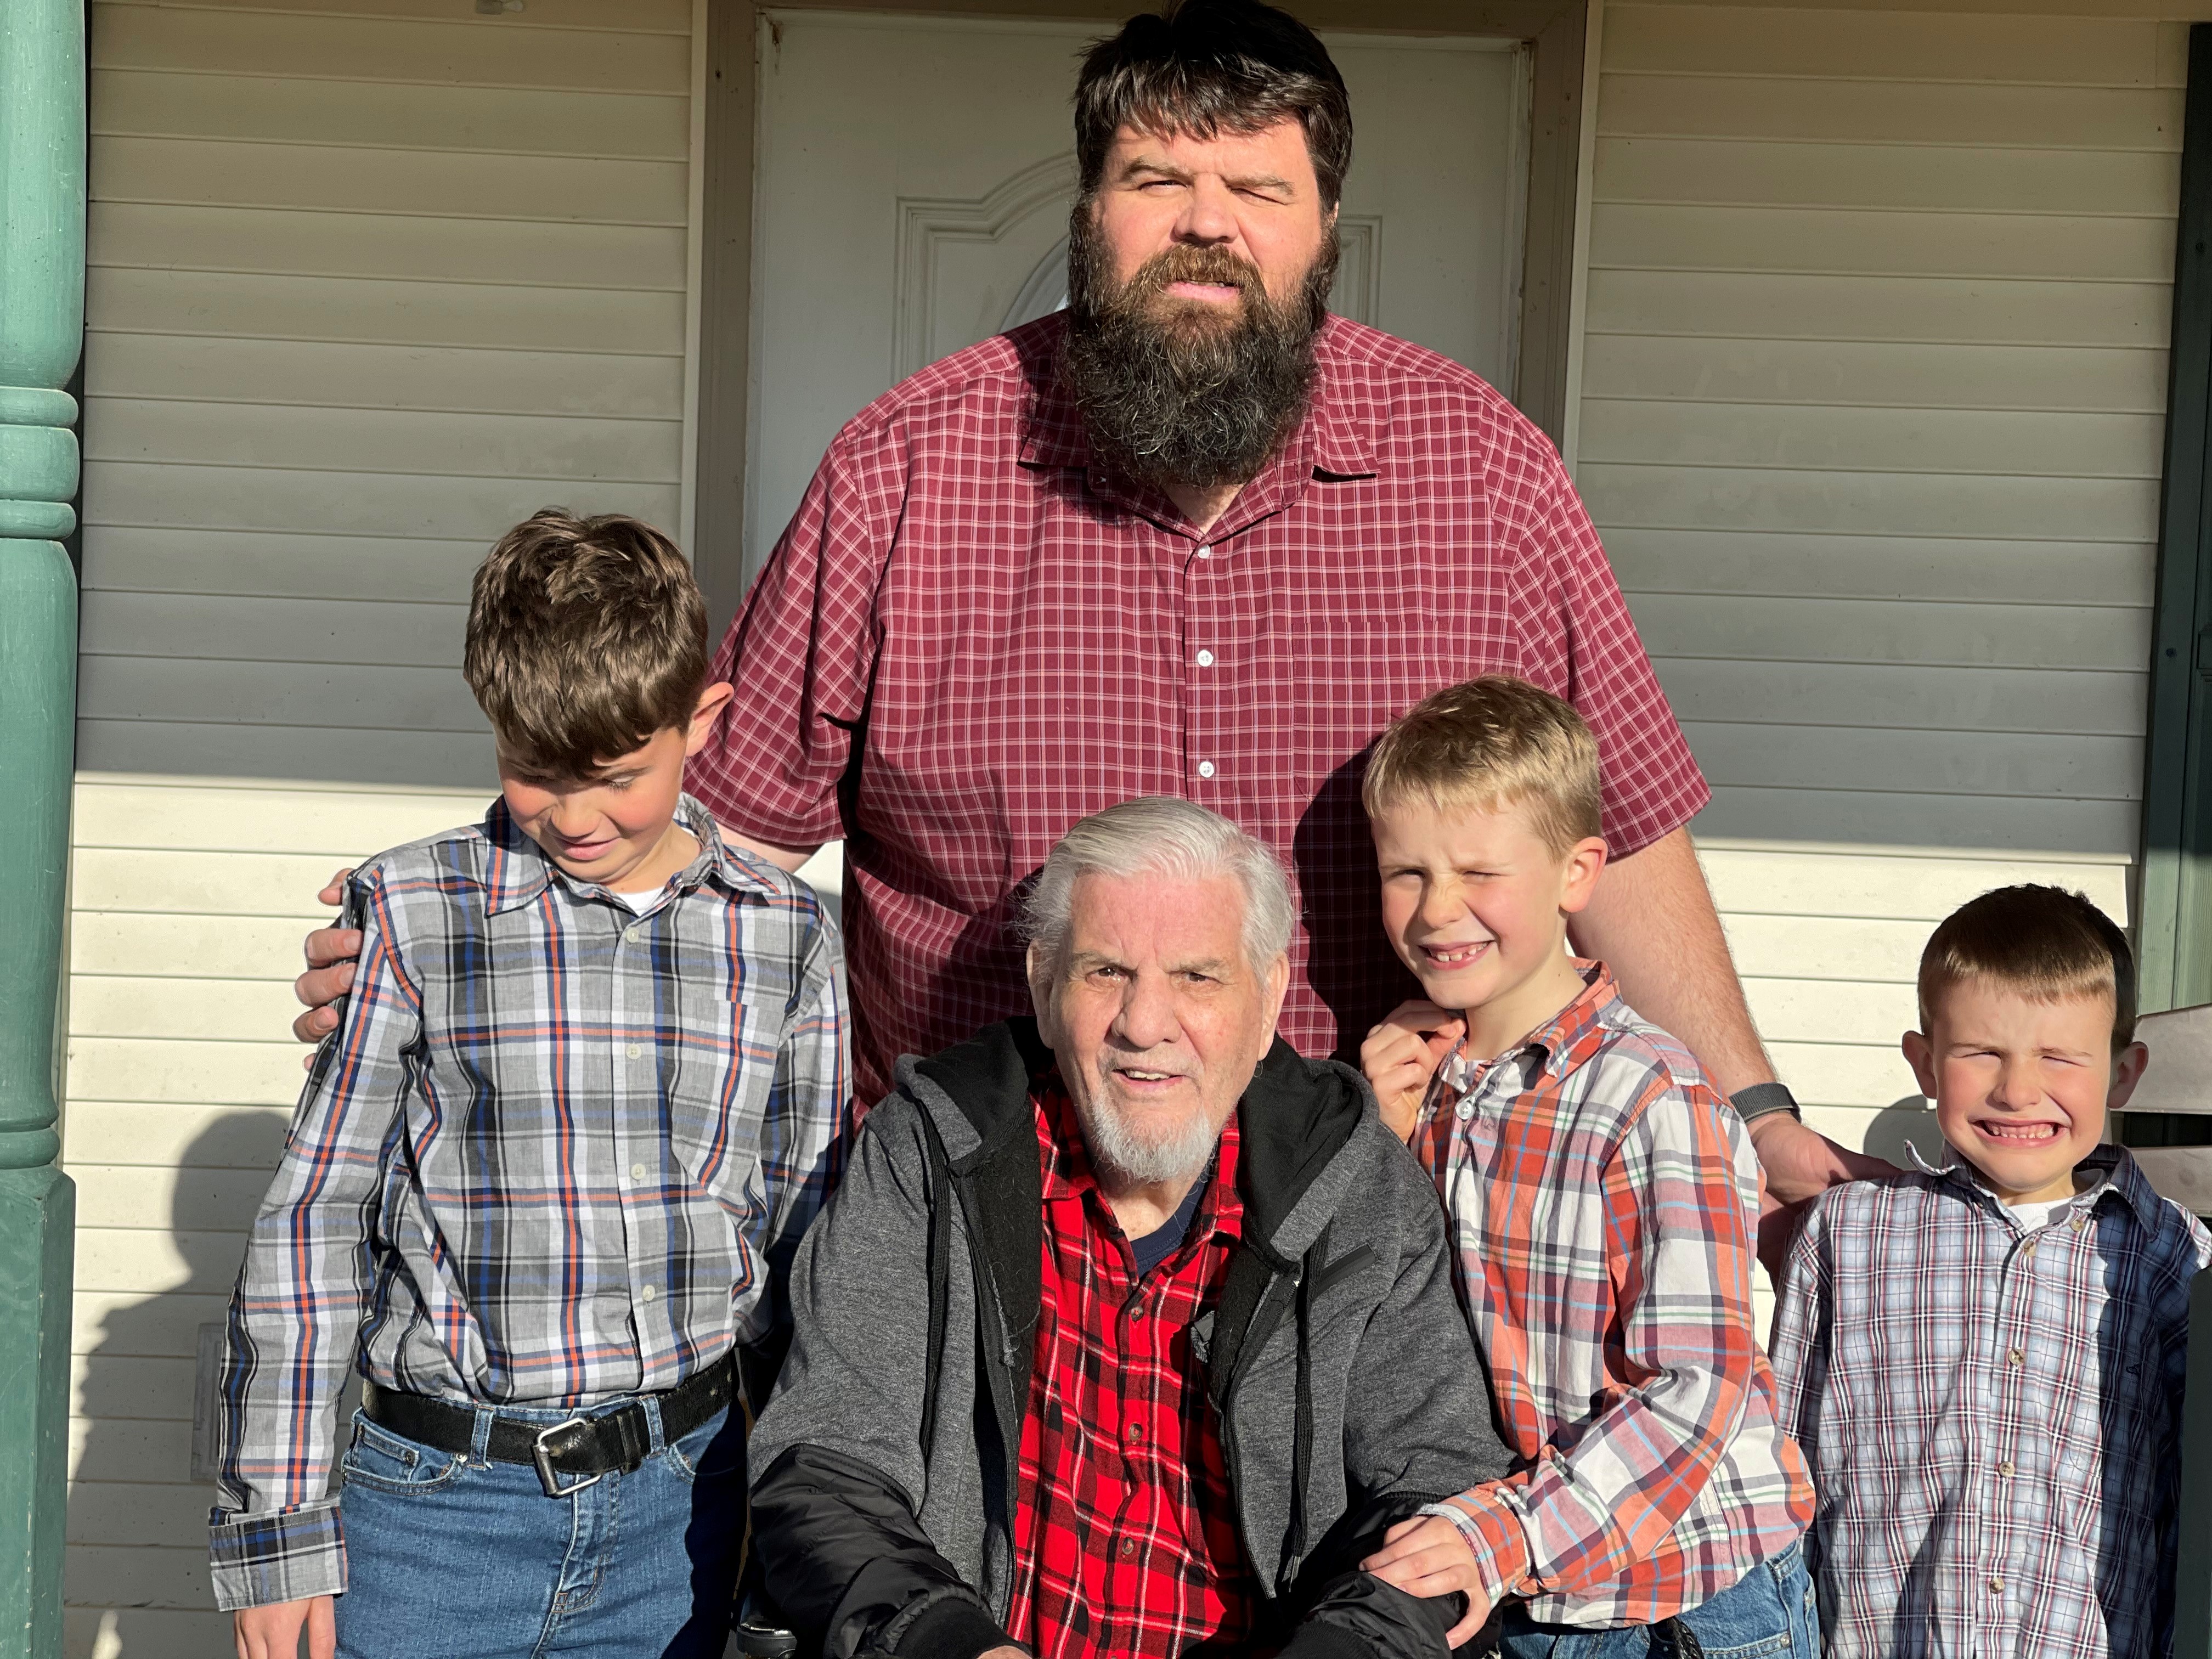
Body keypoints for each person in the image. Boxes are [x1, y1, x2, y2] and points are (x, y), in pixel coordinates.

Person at [287, 0, 1880, 1204]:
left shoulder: (1486, 475)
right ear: (1087, 213)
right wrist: (473, 943)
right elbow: (714, 832)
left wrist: (1744, 1112)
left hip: (1378, 1216)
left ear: (1325, 230)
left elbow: (1624, 834)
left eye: (1257, 187)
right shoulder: (909, 469)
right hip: (985, 1221)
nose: (1206, 221)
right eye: (1154, 177)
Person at [211, 511, 848, 1659]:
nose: (574, 816)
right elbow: (315, 1227)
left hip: (683, 1519)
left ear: (703, 719)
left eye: (615, 778)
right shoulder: (413, 915)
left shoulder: (788, 937)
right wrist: (277, 1534)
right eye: (533, 773)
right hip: (430, 1518)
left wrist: (790, 1532)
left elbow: (803, 1244)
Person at [746, 797, 1514, 1659]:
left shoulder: (1360, 1186)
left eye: (1196, 976)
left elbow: (1435, 1490)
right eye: (1105, 971)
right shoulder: (928, 1156)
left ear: (1268, 1004)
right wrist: (949, 1644)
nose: (1144, 1026)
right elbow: (824, 1466)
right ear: (1043, 986)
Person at [1353, 679, 1817, 1656]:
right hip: (1527, 1581)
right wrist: (1377, 1141)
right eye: (1406, 873)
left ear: (1578, 873)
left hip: (1686, 1598)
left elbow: (1695, 1387)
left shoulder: (1650, 1097)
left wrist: (1512, 1532)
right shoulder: (1420, 1082)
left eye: (1480, 872)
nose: (1439, 911)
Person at [1767, 885, 2211, 1659]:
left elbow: (2192, 1505)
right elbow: (1781, 1461)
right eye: (1983, 1054)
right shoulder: (1849, 1232)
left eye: (2059, 1058)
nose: (2016, 1090)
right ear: (1925, 1062)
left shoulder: (2174, 1256)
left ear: (2122, 1075)